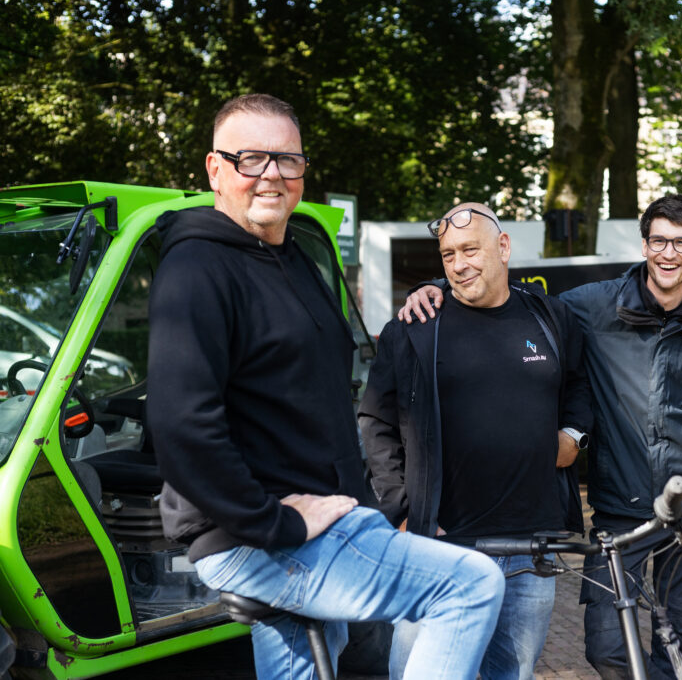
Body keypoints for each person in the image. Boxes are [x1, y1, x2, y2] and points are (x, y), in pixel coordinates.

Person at [147, 93, 504, 680]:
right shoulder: (197, 268)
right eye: (250, 159)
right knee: (469, 585)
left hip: (320, 516)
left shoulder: (295, 260)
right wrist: (273, 522)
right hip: (257, 534)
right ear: (215, 169)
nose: (271, 174)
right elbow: (181, 427)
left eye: (287, 159)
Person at [400, 194, 682, 679]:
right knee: (607, 648)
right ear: (644, 245)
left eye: (681, 243)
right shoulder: (595, 304)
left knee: (681, 647)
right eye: (659, 241)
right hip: (620, 504)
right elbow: (508, 294)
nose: (669, 253)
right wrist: (433, 286)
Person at [359, 203, 592, 680]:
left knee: (513, 673)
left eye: (471, 250)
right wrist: (402, 513)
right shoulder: (415, 327)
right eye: (448, 255)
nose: (459, 264)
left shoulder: (551, 317)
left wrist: (573, 435)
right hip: (442, 546)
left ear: (503, 247)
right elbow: (375, 421)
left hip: (531, 546)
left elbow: (579, 386)